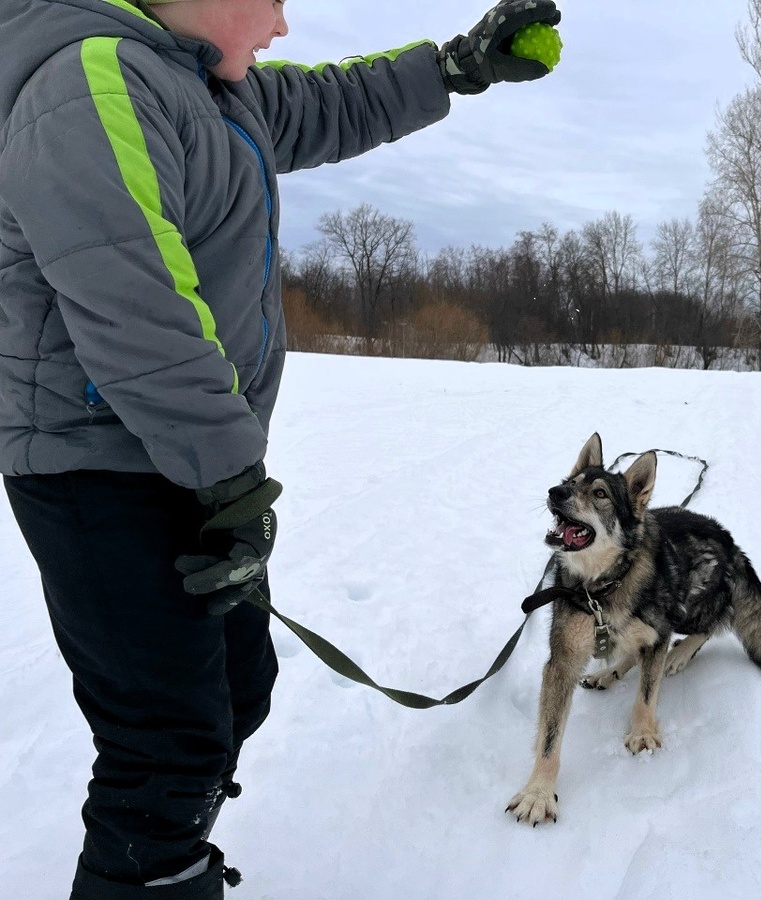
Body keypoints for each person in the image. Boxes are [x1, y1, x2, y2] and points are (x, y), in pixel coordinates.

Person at [0, 0, 561, 896]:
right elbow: (139, 318)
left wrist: (455, 66)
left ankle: (171, 851)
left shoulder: (198, 84)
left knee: (236, 687)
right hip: (100, 468)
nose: (282, 27)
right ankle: (152, 866)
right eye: (272, 1)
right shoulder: (92, 80)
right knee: (166, 745)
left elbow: (329, 103)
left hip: (181, 458)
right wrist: (227, 483)